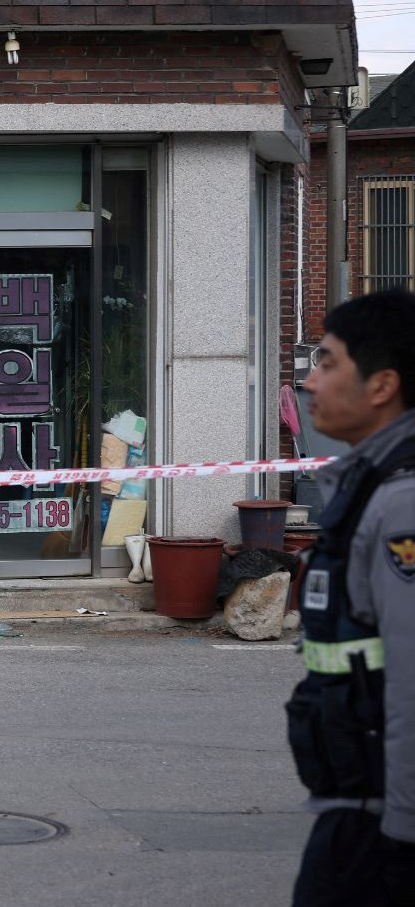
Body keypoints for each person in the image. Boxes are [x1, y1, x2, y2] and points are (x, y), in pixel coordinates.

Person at [289, 287, 415, 906]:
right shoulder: (371, 483)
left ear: (382, 385)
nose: (310, 383)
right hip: (358, 807)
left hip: (379, 825)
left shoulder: (402, 503)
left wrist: (404, 838)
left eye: (328, 363)